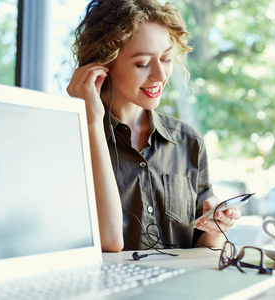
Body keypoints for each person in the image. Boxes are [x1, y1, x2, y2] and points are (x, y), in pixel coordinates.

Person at [67, 0, 241, 252]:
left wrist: (218, 227)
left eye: (167, 58)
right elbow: (108, 241)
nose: (160, 75)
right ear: (103, 64)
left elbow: (202, 247)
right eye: (142, 63)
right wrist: (92, 123)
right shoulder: (70, 139)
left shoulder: (187, 141)